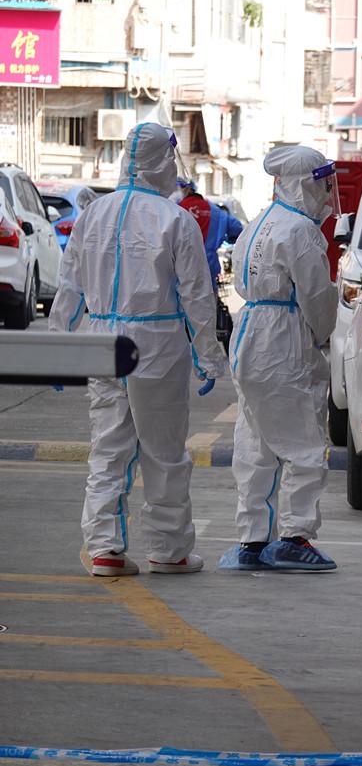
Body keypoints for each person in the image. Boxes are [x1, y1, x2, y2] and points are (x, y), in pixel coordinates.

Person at [49, 123, 226, 577]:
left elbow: (69, 286)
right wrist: (208, 355)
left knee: (108, 446)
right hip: (157, 345)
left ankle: (104, 548)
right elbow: (196, 295)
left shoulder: (93, 213)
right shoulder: (175, 219)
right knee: (164, 451)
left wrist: (57, 345)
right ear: (162, 161)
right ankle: (169, 550)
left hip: (102, 342)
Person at [218, 145, 339, 572]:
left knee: (257, 444)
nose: (327, 192)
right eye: (323, 183)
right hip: (282, 340)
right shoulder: (301, 231)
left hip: (250, 335)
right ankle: (294, 537)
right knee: (304, 439)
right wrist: (321, 334)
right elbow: (317, 298)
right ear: (306, 183)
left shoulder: (259, 223)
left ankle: (252, 541)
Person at [177, 179, 244, 291]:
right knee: (208, 298)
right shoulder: (215, 210)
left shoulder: (177, 208)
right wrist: (228, 238)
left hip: (181, 267)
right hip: (208, 267)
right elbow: (237, 228)